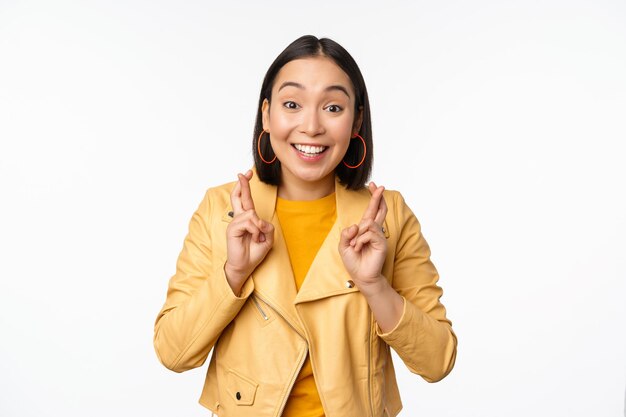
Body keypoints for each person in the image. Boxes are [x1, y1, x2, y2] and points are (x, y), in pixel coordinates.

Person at [153, 34, 457, 417]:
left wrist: (374, 286)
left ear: (356, 119)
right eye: (292, 104)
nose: (311, 126)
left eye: (332, 107)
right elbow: (172, 351)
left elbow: (438, 360)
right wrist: (234, 273)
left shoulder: (387, 216)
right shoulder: (220, 210)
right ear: (266, 113)